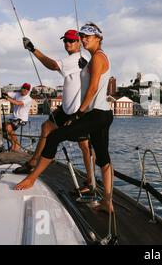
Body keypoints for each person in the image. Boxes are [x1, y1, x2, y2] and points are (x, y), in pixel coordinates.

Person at [15, 22, 114, 213]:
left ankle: (32, 177)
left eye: (87, 37)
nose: (83, 39)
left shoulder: (96, 58)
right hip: (102, 114)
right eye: (82, 36)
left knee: (54, 137)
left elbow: (93, 88)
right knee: (103, 158)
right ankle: (107, 202)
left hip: (96, 114)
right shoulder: (92, 58)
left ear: (98, 38)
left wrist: (79, 112)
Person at [13, 30, 94, 193]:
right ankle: (33, 162)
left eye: (71, 41)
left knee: (84, 146)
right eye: (65, 41)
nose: (68, 44)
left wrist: (33, 49)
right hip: (66, 109)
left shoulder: (75, 58)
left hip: (77, 111)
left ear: (79, 43)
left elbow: (53, 65)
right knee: (46, 127)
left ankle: (91, 183)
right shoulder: (79, 60)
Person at [2, 83, 33, 152]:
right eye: (24, 88)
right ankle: (14, 143)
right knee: (0, 130)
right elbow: (7, 93)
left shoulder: (28, 99)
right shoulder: (17, 94)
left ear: (28, 91)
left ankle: (17, 145)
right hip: (14, 118)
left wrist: (6, 98)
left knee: (8, 127)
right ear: (21, 88)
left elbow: (17, 103)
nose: (25, 90)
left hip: (22, 119)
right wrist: (2, 93)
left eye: (27, 89)